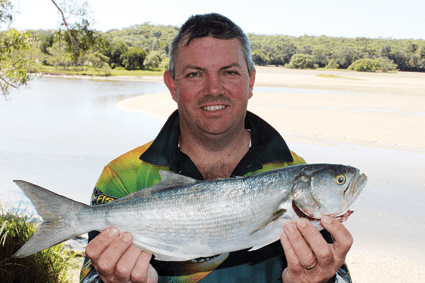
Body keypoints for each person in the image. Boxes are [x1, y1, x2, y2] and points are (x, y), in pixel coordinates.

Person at [80, 13, 353, 283]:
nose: (214, 89)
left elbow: (338, 274)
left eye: (230, 72)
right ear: (172, 85)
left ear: (250, 81)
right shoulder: (123, 177)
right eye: (195, 74)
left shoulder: (292, 171)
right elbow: (89, 277)